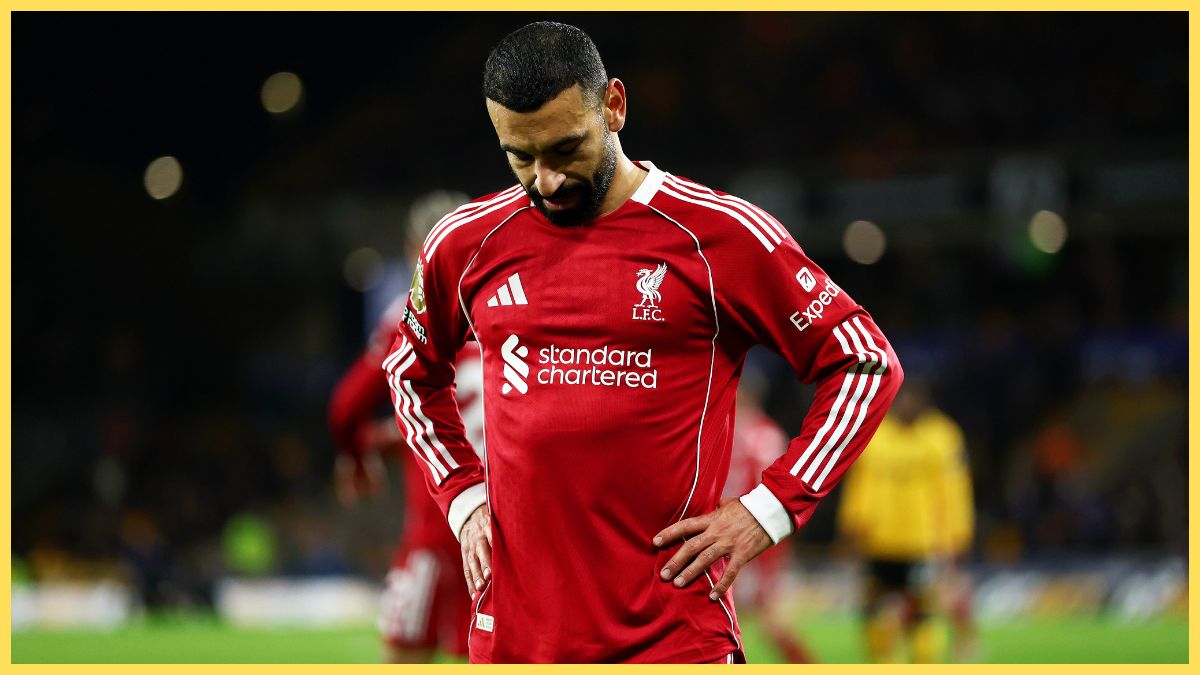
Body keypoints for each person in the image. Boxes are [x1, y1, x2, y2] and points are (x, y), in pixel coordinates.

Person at [383, 21, 903, 663]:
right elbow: (410, 370)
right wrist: (463, 496)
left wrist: (768, 509)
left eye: (566, 149)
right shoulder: (464, 244)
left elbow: (865, 362)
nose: (546, 181)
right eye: (521, 157)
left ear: (615, 107)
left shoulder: (718, 237)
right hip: (517, 640)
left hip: (672, 638)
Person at [329, 291, 484, 662]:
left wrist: (358, 459)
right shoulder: (515, 296)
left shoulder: (417, 306)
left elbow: (346, 408)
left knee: (404, 657)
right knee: (482, 653)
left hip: (439, 525)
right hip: (504, 533)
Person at [836, 380, 975, 663]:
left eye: (911, 398)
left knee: (924, 611)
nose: (905, 405)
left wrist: (957, 536)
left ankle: (923, 663)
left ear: (924, 401)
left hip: (923, 542)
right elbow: (861, 485)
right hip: (879, 541)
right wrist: (853, 526)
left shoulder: (942, 436)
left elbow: (955, 491)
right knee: (874, 609)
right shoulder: (876, 433)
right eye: (900, 399)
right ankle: (882, 664)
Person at [721, 369, 818, 664]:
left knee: (764, 619)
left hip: (745, 535)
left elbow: (772, 487)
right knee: (757, 619)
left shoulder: (746, 432)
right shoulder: (767, 432)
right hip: (750, 534)